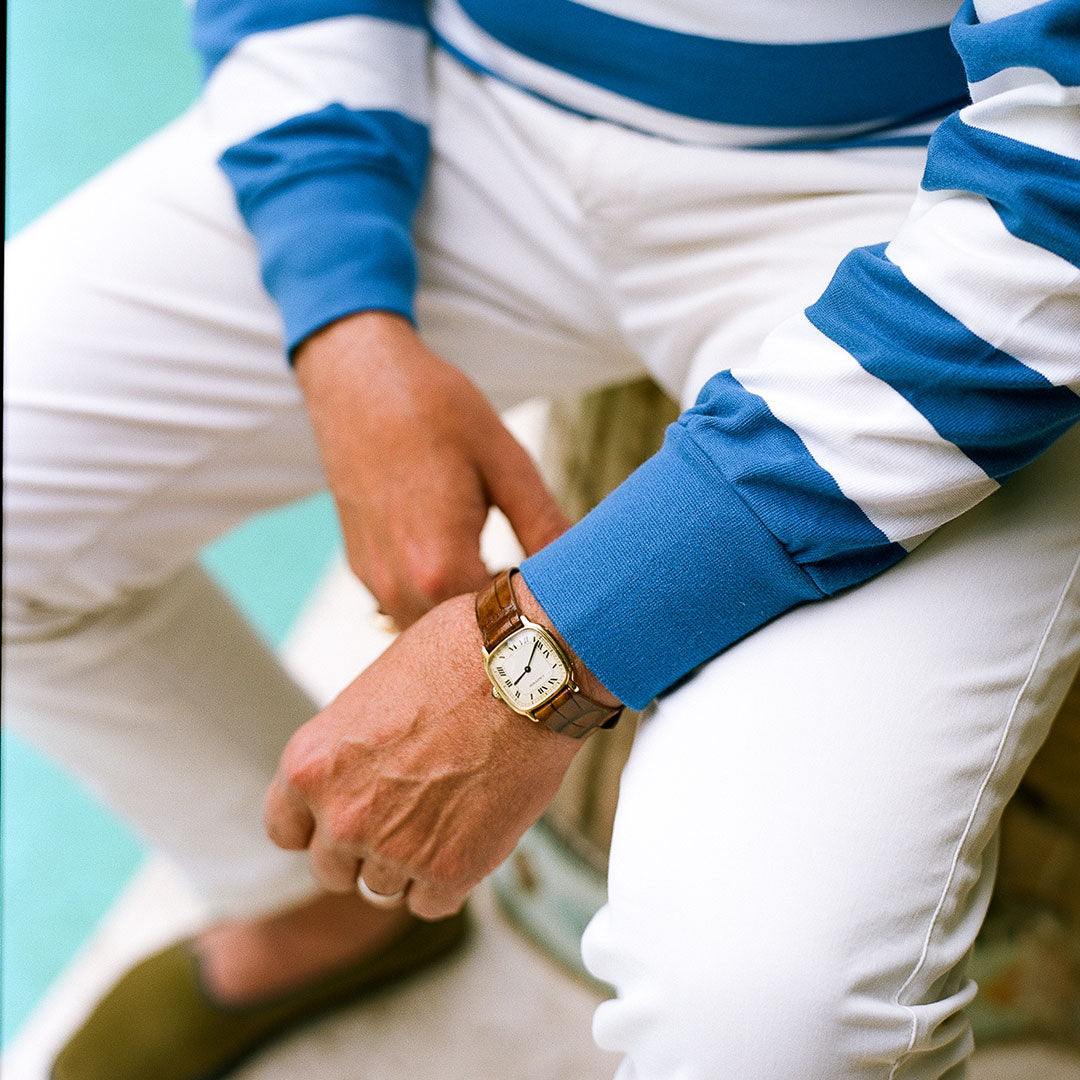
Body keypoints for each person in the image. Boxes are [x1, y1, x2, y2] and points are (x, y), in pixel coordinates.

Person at [4, 0, 1078, 1077]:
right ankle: (318, 898)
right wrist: (342, 318)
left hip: (924, 179)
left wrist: (545, 651)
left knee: (773, 1014)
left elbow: (1058, 186)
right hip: (466, 91)